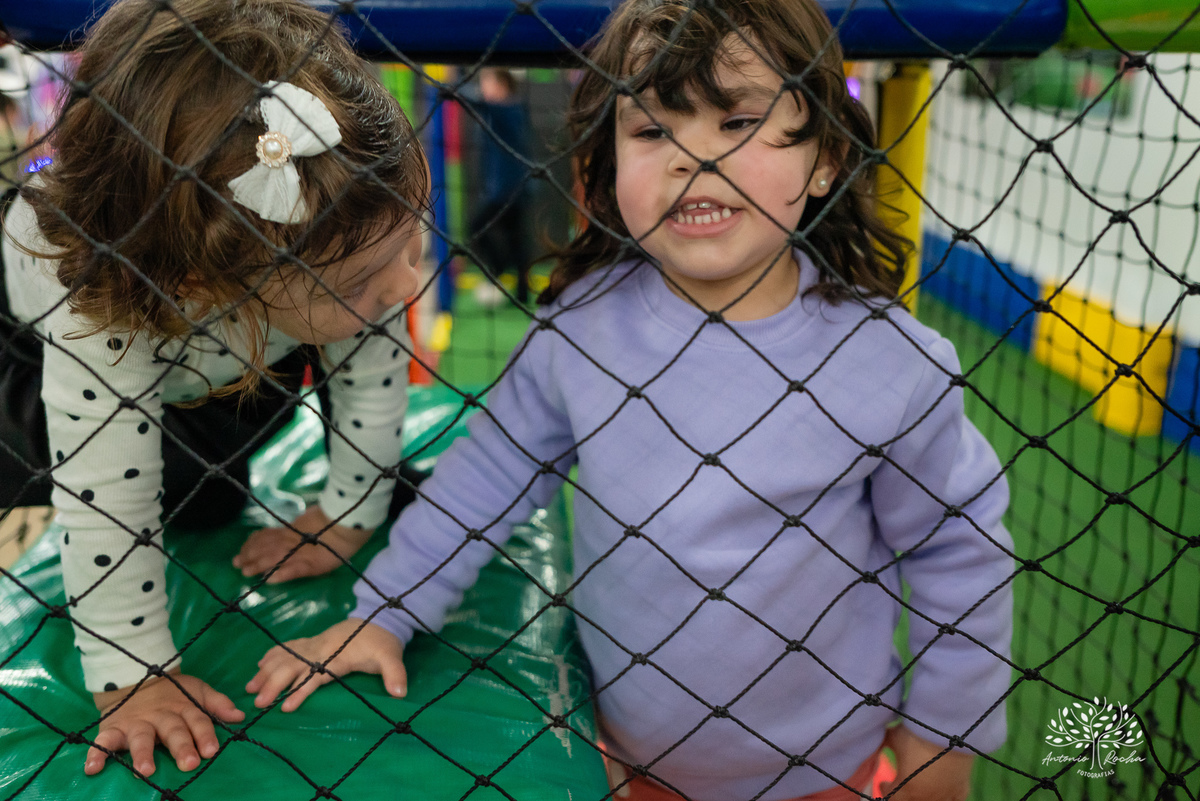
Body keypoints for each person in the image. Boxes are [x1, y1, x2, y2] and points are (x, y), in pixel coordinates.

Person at [247, 1, 1014, 800]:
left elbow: (961, 555)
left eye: (737, 121)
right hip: (623, 760)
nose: (693, 157)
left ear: (824, 158)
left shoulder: (889, 362)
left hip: (825, 771)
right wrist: (384, 612)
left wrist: (945, 736)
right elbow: (486, 478)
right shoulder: (583, 329)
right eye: (652, 129)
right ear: (608, 160)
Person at [0, 0, 429, 779]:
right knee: (168, 486)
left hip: (234, 329)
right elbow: (103, 494)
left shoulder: (344, 234)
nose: (408, 285)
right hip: (39, 350)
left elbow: (369, 372)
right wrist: (133, 676)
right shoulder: (100, 308)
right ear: (210, 281)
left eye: (415, 241)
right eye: (369, 276)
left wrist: (346, 516)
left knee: (231, 470)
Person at [466, 67, 533, 307]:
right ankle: (521, 292)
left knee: (479, 227)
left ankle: (499, 269)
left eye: (487, 82)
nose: (483, 88)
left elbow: (474, 100)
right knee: (515, 239)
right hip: (507, 189)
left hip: (509, 190)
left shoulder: (508, 108)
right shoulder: (502, 110)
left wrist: (448, 85)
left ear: (501, 85)